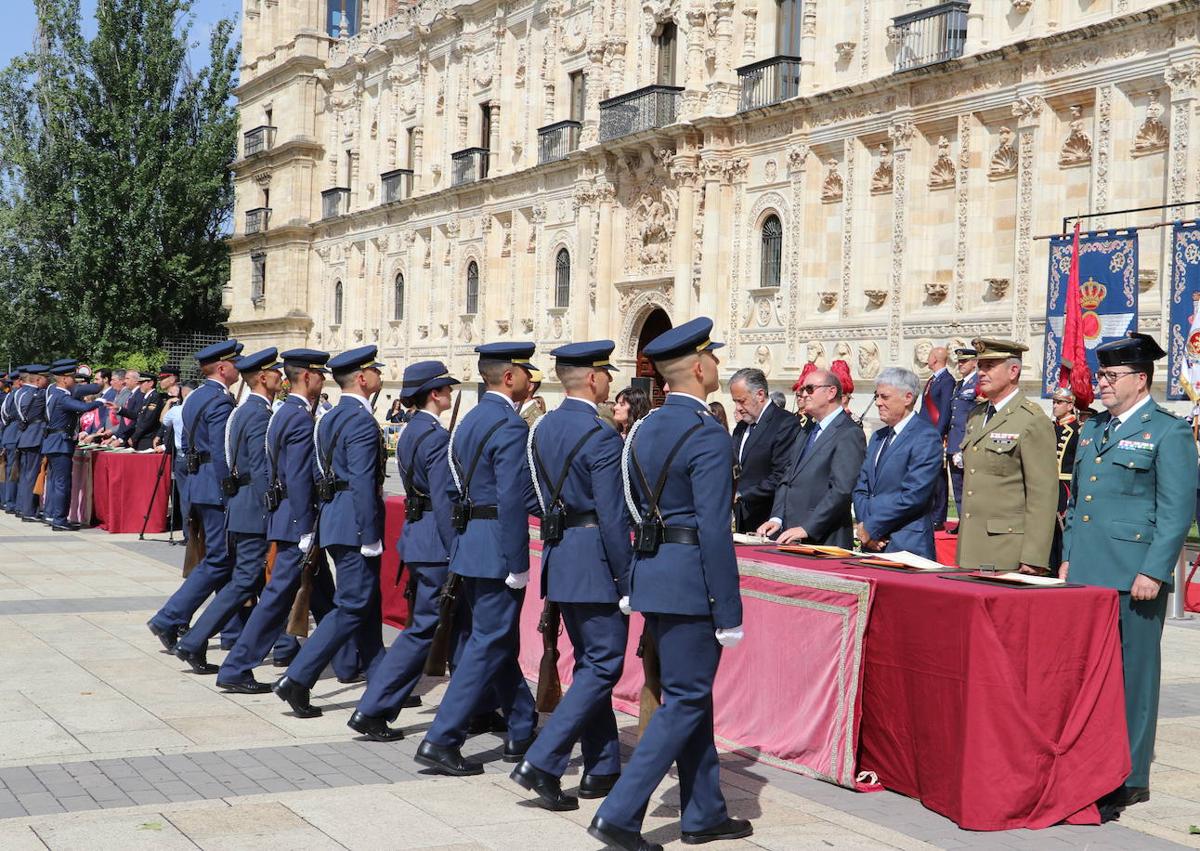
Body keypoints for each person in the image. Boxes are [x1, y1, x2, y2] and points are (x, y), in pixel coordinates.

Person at [590, 317, 750, 851]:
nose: (717, 367)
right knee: (685, 697)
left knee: (690, 693)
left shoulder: (643, 427)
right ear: (700, 368)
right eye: (715, 360)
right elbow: (713, 528)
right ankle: (619, 814)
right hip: (689, 582)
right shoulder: (706, 433)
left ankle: (704, 811)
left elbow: (635, 509)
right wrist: (728, 609)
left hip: (654, 572)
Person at [1060, 333, 1195, 820]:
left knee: (1135, 677)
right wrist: (1070, 556)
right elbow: (1079, 503)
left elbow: (1176, 511)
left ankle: (1132, 776)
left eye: (1112, 376)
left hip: (1134, 576)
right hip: (1089, 573)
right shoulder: (1095, 429)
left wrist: (1154, 571)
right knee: (1092, 675)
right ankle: (1094, 759)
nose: (1103, 383)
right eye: (1102, 375)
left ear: (1141, 379)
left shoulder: (1167, 431)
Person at [511, 340, 631, 811]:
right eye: (607, 375)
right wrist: (626, 579)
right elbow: (613, 515)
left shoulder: (539, 429)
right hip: (595, 558)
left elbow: (528, 496)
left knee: (589, 664)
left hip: (561, 554)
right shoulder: (600, 435)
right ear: (595, 379)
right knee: (604, 664)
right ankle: (543, 760)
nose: (609, 383)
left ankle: (601, 767)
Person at [415, 341, 540, 776]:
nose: (532, 378)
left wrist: (459, 543)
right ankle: (441, 738)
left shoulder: (468, 420)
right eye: (527, 371)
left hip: (472, 543)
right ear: (509, 377)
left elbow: (450, 491)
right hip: (495, 547)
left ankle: (522, 726)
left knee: (496, 639)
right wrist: (518, 561)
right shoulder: (509, 426)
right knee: (488, 643)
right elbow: (511, 500)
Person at [217, 349, 358, 693]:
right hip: (299, 524)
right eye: (320, 375)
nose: (324, 380)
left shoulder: (285, 412)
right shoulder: (296, 417)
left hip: (296, 520)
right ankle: (236, 667)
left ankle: (351, 662)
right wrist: (305, 525)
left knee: (326, 597)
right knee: (278, 599)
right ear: (307, 377)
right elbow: (296, 476)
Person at [348, 360, 460, 740]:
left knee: (448, 626)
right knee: (423, 629)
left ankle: (478, 705)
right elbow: (444, 502)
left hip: (417, 535)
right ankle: (373, 707)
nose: (449, 393)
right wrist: (455, 547)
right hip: (433, 541)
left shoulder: (414, 430)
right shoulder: (436, 436)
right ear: (434, 394)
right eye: (445, 388)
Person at [274, 346, 389, 717]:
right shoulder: (358, 420)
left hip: (335, 517)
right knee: (353, 604)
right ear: (362, 378)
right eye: (375, 371)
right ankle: (297, 678)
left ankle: (382, 679)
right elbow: (359, 479)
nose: (379, 375)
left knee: (365, 604)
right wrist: (370, 531)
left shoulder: (331, 416)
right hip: (354, 522)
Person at [173, 349, 283, 674]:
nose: (281, 376)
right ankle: (198, 641)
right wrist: (269, 506)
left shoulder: (241, 409)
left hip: (238, 503)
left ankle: (199, 640)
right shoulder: (256, 413)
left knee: (249, 581)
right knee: (245, 580)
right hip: (252, 507)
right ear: (262, 377)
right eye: (275, 371)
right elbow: (258, 469)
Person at [146, 339, 242, 653]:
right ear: (224, 368)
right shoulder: (219, 401)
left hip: (199, 483)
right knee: (219, 559)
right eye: (236, 363)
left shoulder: (197, 397)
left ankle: (231, 630)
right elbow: (221, 450)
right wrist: (231, 489)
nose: (239, 368)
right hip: (215, 487)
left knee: (224, 559)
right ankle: (168, 617)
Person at [955, 338, 1056, 574]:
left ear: (1013, 371)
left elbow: (1043, 494)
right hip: (971, 545)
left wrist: (1034, 556)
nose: (981, 372)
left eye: (990, 366)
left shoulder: (1031, 420)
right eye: (980, 366)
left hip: (1006, 550)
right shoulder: (976, 415)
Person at [758, 369, 865, 547]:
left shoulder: (849, 433)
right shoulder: (807, 429)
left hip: (824, 538)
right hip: (791, 533)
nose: (804, 394)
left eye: (809, 389)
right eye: (802, 391)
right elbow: (788, 477)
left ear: (831, 392)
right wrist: (777, 518)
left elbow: (842, 490)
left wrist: (808, 527)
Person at [852, 368, 944, 559]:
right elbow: (862, 487)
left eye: (884, 397)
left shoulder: (925, 436)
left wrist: (872, 526)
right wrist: (865, 530)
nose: (878, 403)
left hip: (906, 544)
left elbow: (914, 495)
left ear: (908, 398)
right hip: (871, 543)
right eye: (877, 396)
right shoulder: (878, 437)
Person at [729, 367, 801, 533]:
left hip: (769, 519)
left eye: (742, 401)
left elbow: (781, 475)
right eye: (735, 401)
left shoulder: (784, 423)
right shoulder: (741, 428)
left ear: (760, 395)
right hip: (741, 518)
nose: (738, 408)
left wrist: (742, 494)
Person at [41, 360, 108, 531]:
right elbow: (83, 406)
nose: (74, 380)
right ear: (64, 379)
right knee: (63, 483)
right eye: (72, 377)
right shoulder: (62, 397)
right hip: (60, 443)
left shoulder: (53, 392)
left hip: (54, 442)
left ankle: (55, 516)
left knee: (57, 482)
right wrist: (101, 402)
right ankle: (59, 520)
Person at [919, 346, 954, 529]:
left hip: (935, 435)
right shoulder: (932, 380)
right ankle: (928, 511)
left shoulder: (947, 380)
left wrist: (938, 436)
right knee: (927, 473)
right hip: (925, 433)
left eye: (929, 355)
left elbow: (945, 412)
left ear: (934, 359)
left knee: (938, 476)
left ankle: (938, 517)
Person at [945, 346, 979, 524]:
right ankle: (961, 523)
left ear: (974, 363)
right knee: (957, 486)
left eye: (964, 361)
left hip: (966, 443)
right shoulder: (959, 385)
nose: (960, 365)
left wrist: (964, 445)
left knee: (969, 488)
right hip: (953, 442)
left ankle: (970, 525)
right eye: (959, 361)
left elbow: (976, 417)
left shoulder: (978, 384)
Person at [1049, 383, 1081, 567]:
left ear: (1070, 405)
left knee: (1063, 527)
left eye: (1060, 402)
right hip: (1050, 485)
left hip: (1065, 486)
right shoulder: (1051, 428)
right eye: (1054, 402)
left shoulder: (1077, 431)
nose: (1055, 406)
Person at [15, 364, 50, 520]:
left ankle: (22, 507)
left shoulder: (19, 393)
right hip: (34, 437)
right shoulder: (37, 394)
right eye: (45, 378)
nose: (47, 381)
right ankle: (28, 511)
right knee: (32, 475)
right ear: (38, 379)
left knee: (25, 475)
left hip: (25, 437)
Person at [2, 369, 26, 513]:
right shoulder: (18, 395)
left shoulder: (10, 396)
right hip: (16, 435)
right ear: (18, 381)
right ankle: (12, 503)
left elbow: (3, 417)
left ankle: (10, 502)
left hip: (10, 434)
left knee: (12, 470)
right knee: (15, 471)